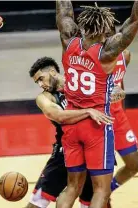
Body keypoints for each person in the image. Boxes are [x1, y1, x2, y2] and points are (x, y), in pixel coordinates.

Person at [56, 1, 138, 208]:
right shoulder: (107, 53)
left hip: (71, 122)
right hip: (96, 124)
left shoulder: (68, 41)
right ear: (104, 29)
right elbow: (136, 18)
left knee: (72, 187)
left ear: (83, 26)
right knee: (101, 190)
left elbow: (64, 12)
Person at [25, 56, 114, 208]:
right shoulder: (44, 98)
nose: (41, 85)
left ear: (52, 71)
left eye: (41, 79)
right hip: (64, 151)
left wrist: (111, 92)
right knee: (37, 203)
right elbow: (59, 116)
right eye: (37, 82)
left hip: (92, 145)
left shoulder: (79, 82)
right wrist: (88, 111)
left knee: (97, 200)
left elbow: (116, 91)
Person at [79, 45, 138, 208]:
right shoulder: (92, 60)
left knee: (134, 164)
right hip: (100, 119)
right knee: (99, 176)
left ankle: (108, 190)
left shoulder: (125, 56)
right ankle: (100, 196)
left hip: (118, 117)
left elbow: (121, 83)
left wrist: (122, 109)